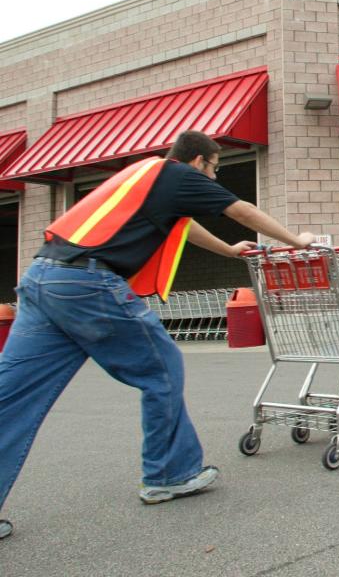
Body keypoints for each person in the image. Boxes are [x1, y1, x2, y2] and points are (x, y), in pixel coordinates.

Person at [0, 130, 316, 541]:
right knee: (162, 369)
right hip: (88, 284)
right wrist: (297, 240)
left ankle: (171, 469)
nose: (215, 179)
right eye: (215, 168)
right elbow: (243, 210)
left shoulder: (145, 176)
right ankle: (169, 473)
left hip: (43, 278)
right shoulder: (179, 175)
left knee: (13, 395)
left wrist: (229, 251)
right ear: (199, 161)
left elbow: (180, 229)